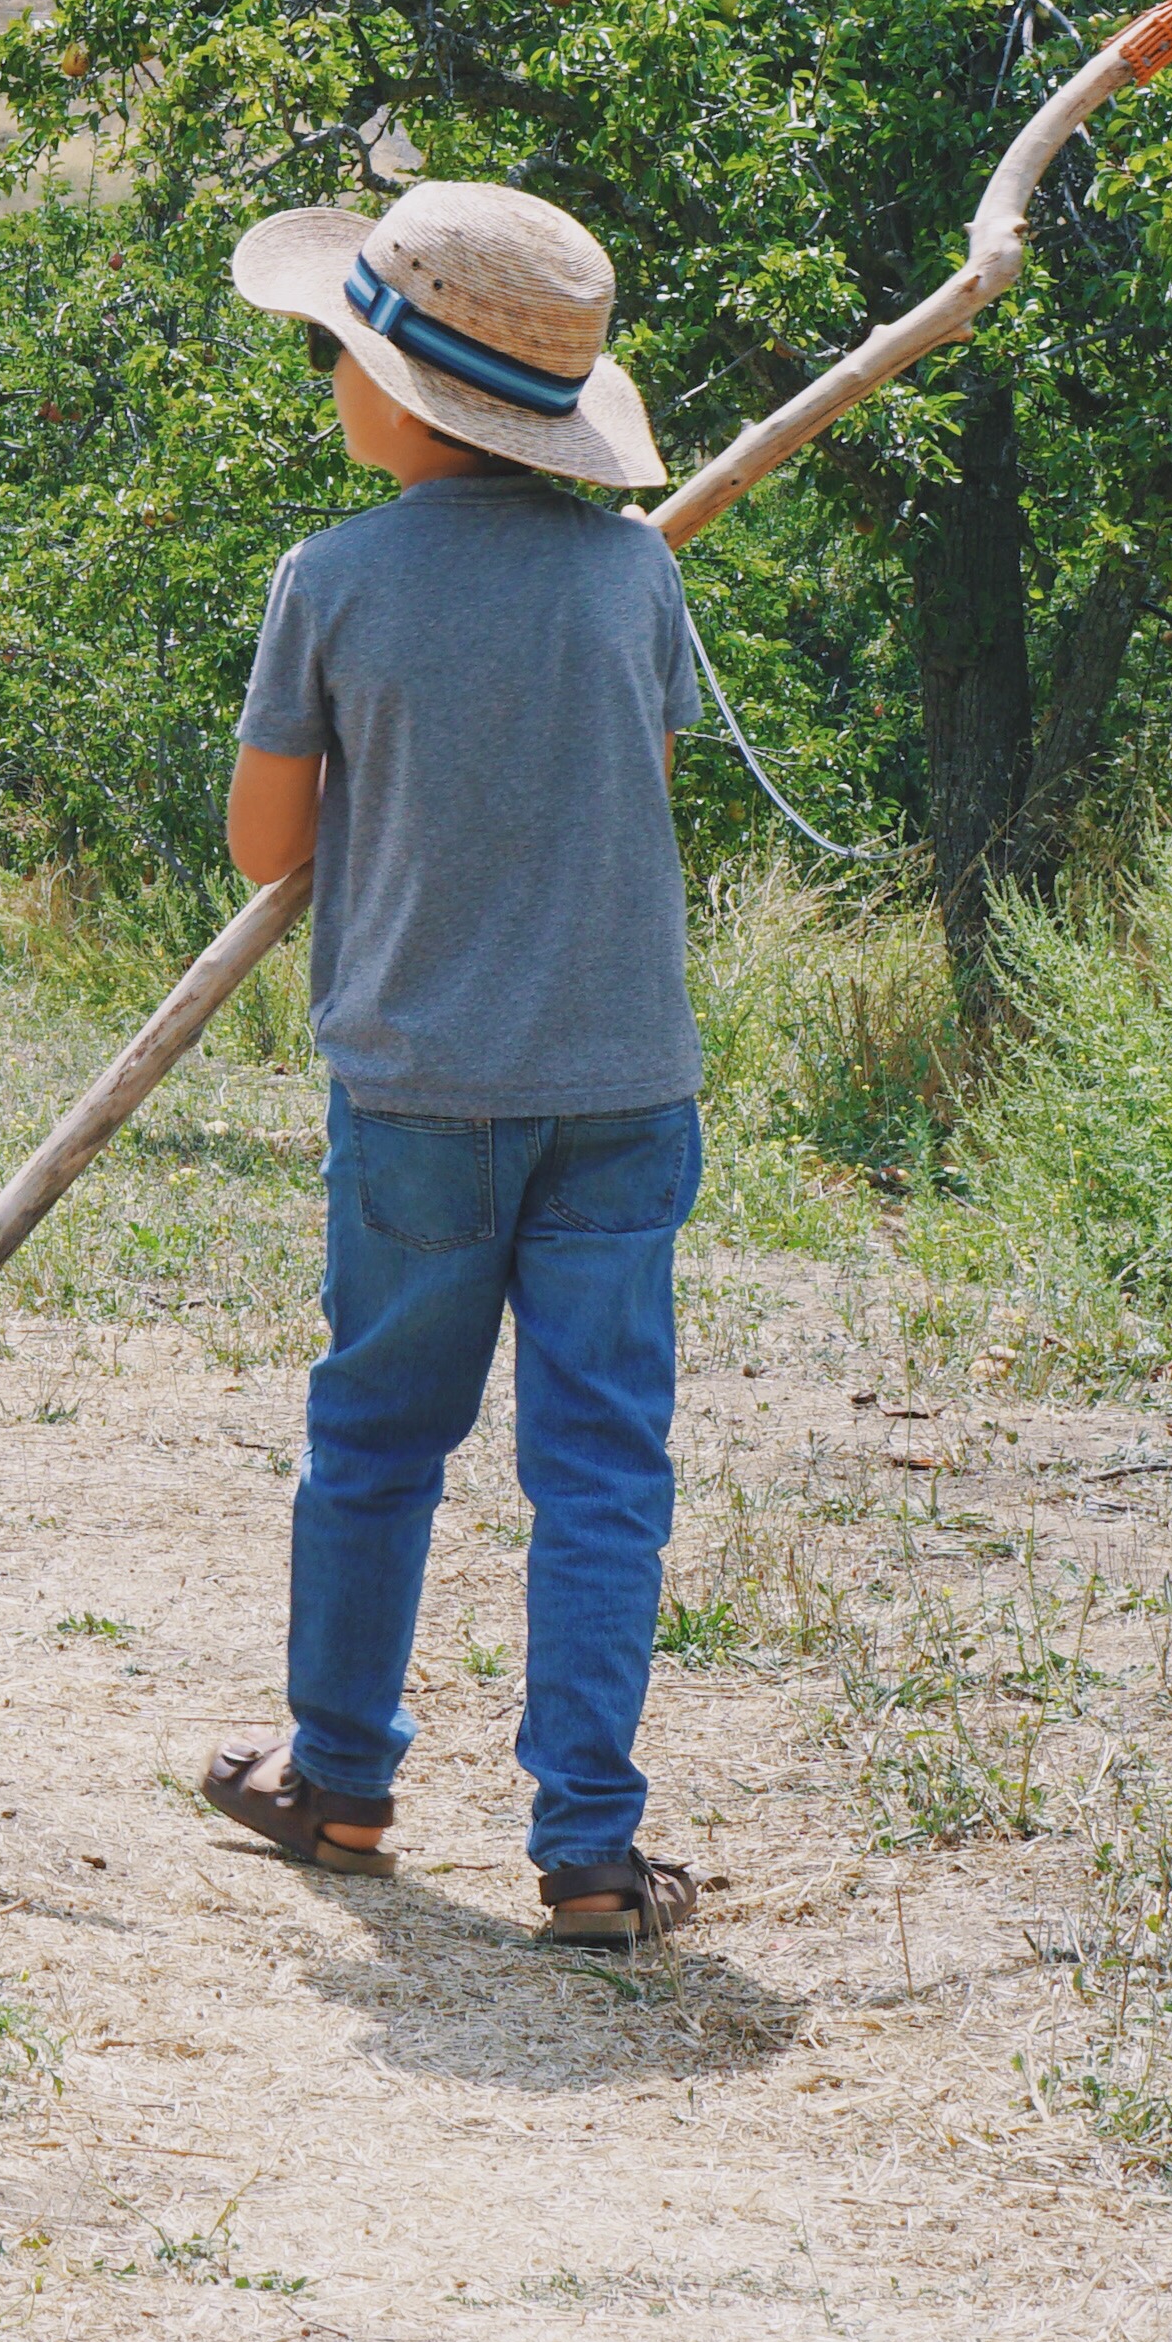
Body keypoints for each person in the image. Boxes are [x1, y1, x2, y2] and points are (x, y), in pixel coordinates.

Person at [202, 182, 712, 1949]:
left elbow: (273, 847)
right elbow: (637, 789)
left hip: (419, 1088)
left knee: (377, 1436)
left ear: (404, 396)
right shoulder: (636, 571)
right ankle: (588, 1847)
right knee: (600, 1467)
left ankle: (336, 1779)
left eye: (339, 355)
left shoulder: (331, 579)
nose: (329, 382)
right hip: (622, 1087)